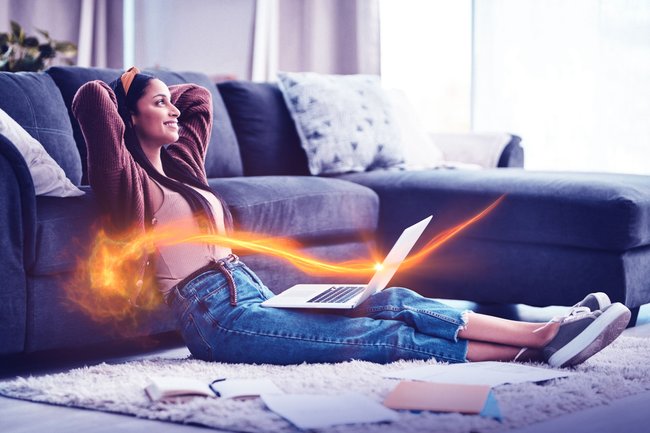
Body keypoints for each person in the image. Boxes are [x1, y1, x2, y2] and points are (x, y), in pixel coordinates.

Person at [72, 67, 631, 368]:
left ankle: (546, 327)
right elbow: (92, 101)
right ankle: (545, 341)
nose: (175, 108)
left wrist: (156, 94)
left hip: (255, 294)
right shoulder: (131, 186)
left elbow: (199, 100)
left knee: (392, 297)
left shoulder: (184, 167)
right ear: (129, 119)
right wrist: (126, 90)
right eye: (158, 103)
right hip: (216, 321)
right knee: (375, 334)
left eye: (170, 101)